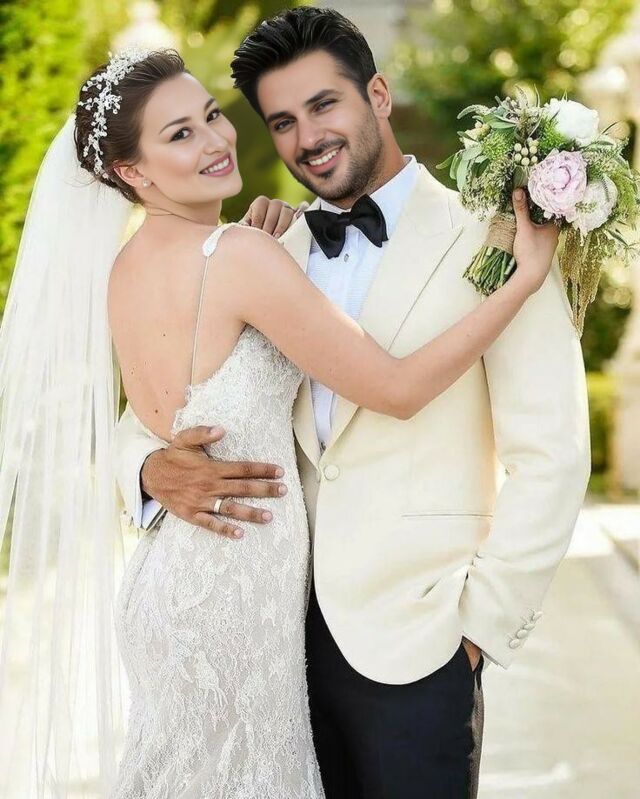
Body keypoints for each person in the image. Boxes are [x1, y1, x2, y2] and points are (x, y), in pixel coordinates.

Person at [115, 9, 591, 799]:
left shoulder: (500, 239)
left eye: (323, 105)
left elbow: (553, 452)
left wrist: (478, 628)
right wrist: (149, 471)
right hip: (270, 642)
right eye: (283, 123)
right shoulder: (266, 247)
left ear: (378, 94)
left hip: (418, 643)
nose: (308, 138)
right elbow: (155, 407)